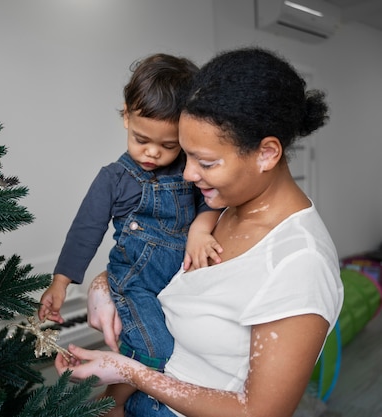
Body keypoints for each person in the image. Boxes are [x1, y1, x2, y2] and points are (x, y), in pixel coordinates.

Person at [55, 46, 345, 417]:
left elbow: (258, 412)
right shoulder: (215, 211)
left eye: (206, 162)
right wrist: (103, 286)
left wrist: (132, 372)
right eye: (186, 156)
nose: (188, 175)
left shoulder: (299, 263)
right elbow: (170, 273)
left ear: (266, 153)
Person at [38, 53, 223, 416]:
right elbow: (85, 229)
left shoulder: (190, 171)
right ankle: (113, 404)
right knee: (154, 349)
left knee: (177, 351)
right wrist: (60, 283)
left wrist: (201, 227)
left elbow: (213, 202)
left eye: (169, 146)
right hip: (134, 283)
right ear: (126, 116)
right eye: (142, 139)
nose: (153, 152)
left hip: (178, 281)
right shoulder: (114, 178)